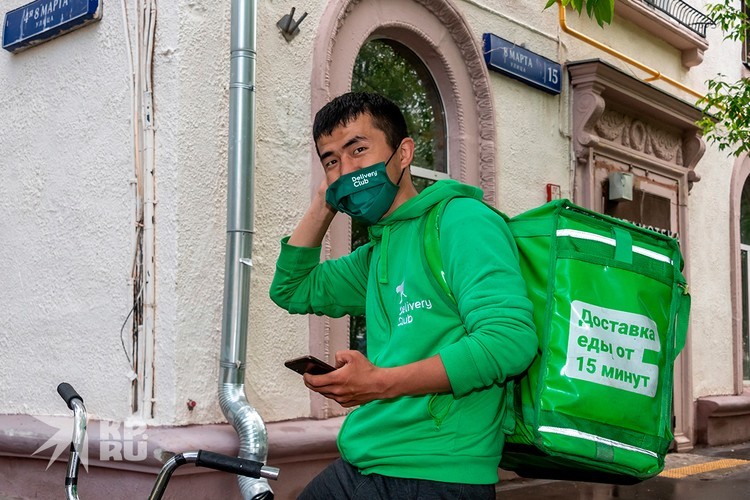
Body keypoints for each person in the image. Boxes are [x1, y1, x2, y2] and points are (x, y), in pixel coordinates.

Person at [270, 92, 538, 499]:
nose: (347, 169)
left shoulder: (462, 222)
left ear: (404, 153)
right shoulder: (376, 254)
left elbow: (509, 341)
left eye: (358, 149)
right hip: (365, 460)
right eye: (331, 161)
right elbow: (291, 288)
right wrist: (326, 201)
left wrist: (378, 383)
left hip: (436, 474)